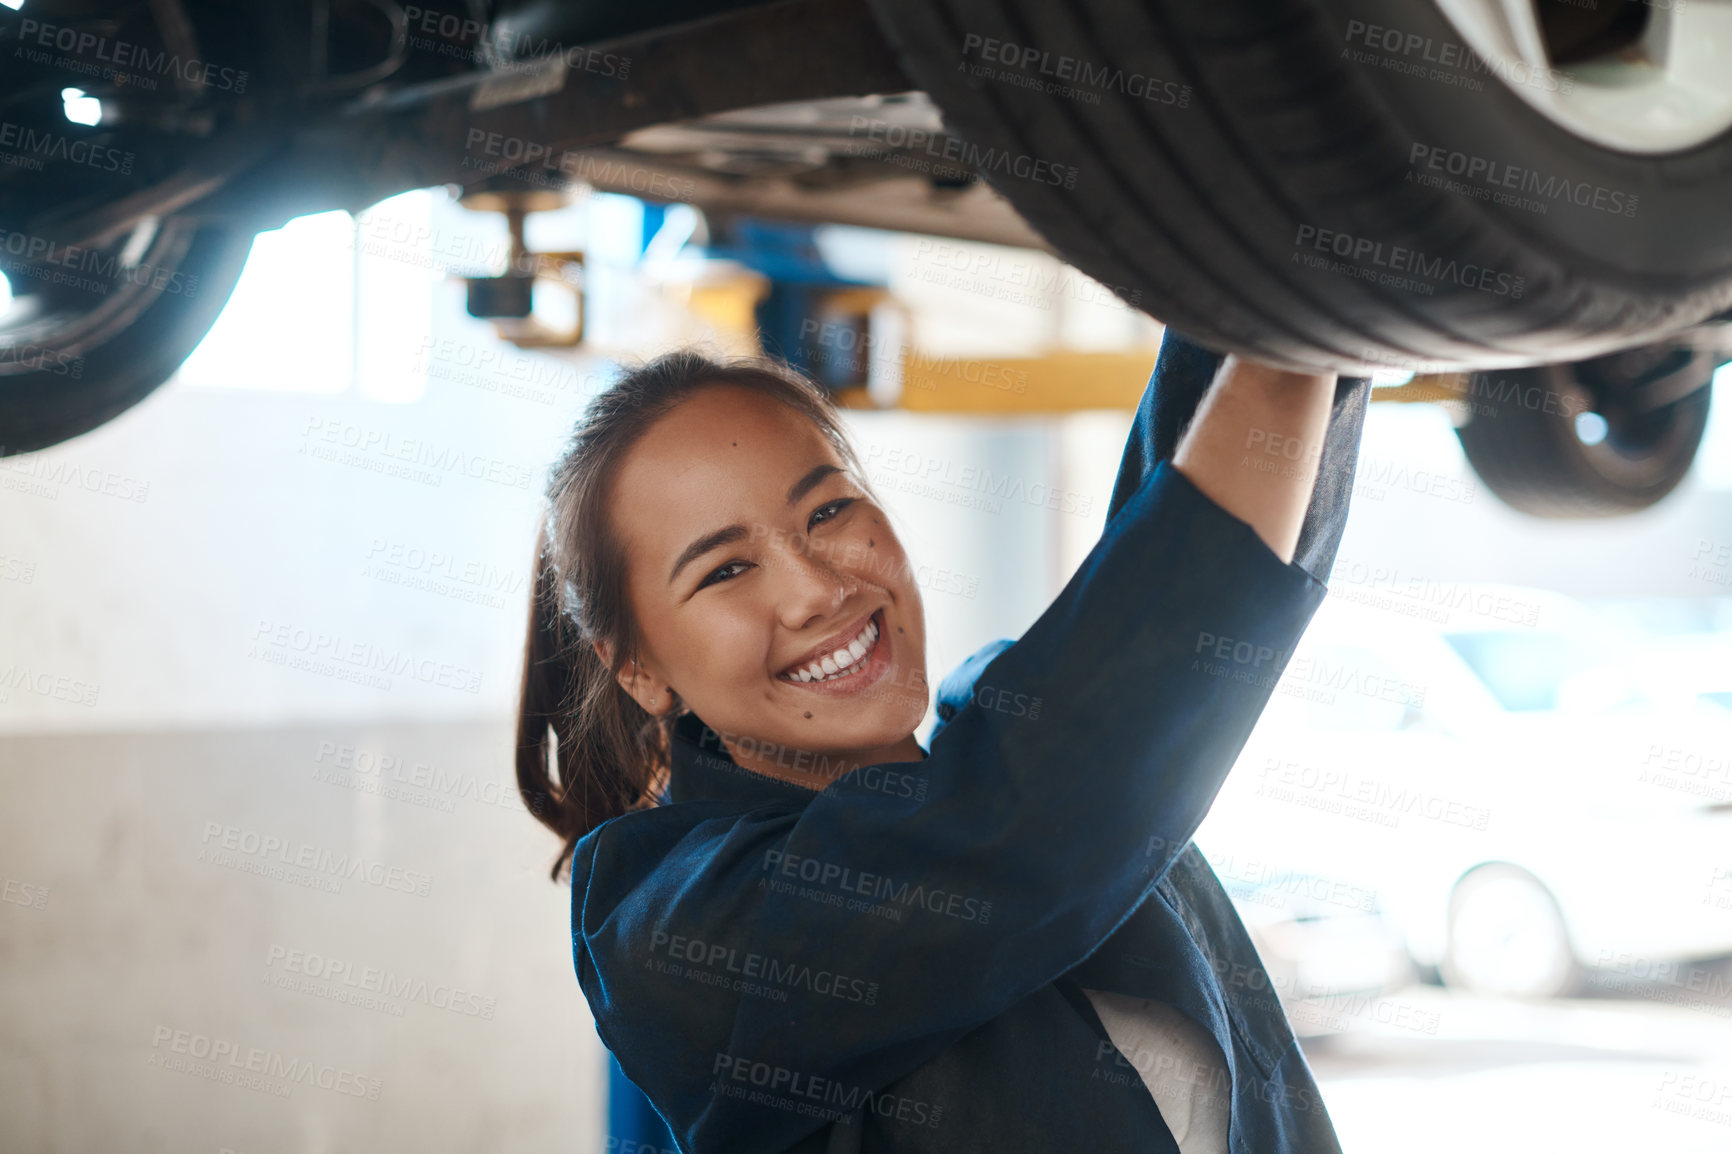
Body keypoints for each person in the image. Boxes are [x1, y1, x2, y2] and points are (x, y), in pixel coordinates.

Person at [517, 327, 1371, 1153]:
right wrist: (1290, 316)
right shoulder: (674, 937)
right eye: (726, 570)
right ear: (635, 667)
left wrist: (1282, 280)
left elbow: (1169, 566)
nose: (816, 588)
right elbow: (1032, 809)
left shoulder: (1038, 753)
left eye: (829, 508)